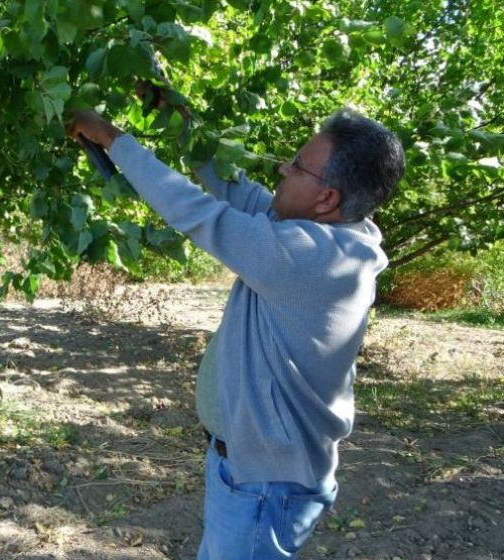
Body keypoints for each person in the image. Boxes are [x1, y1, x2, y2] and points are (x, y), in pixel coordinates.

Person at [67, 108, 405, 559]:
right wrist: (167, 103)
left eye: (297, 165)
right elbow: (232, 187)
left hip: (265, 484)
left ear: (326, 198)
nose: (284, 169)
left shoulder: (312, 257)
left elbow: (200, 212)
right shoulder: (316, 232)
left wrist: (113, 138)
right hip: (250, 470)